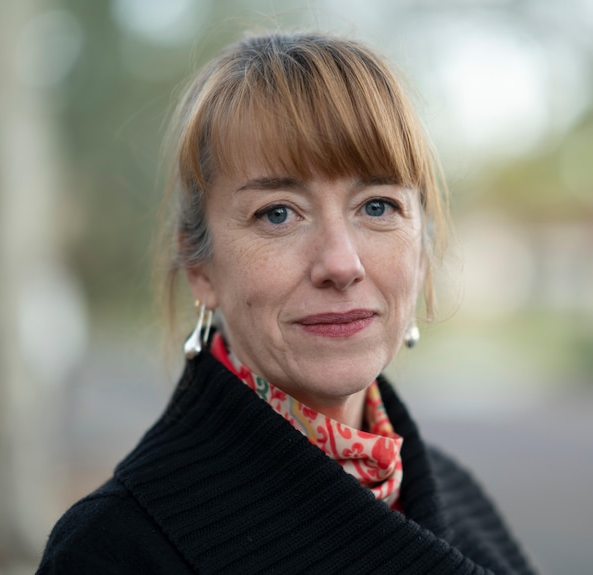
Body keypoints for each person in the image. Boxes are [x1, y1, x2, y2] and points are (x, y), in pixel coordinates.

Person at [37, 31, 537, 575]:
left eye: (377, 206)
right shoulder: (115, 550)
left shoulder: (460, 501)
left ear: (420, 252)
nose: (341, 264)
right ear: (200, 268)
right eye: (277, 213)